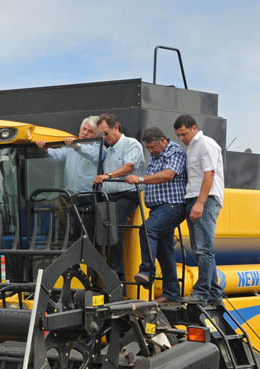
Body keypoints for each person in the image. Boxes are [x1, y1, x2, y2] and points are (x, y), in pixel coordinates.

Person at [125, 127, 187, 303]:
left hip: (172, 205)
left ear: (162, 140)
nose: (150, 151)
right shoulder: (156, 155)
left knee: (147, 229)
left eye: (152, 147)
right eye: (148, 148)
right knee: (164, 250)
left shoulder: (174, 152)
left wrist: (141, 179)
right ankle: (172, 292)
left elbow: (168, 175)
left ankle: (147, 271)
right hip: (158, 208)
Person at [174, 115, 224, 304]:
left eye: (184, 134)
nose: (181, 138)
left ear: (194, 128)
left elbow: (209, 174)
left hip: (205, 198)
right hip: (194, 197)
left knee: (204, 248)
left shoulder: (205, 144)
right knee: (199, 248)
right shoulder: (192, 147)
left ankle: (202, 291)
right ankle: (215, 292)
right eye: (178, 135)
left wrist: (200, 203)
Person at [91, 113, 146, 279]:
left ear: (116, 127)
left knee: (113, 224)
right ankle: (97, 268)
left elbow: (128, 167)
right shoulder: (106, 150)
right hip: (109, 196)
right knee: (97, 226)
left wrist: (107, 175)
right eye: (101, 134)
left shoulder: (131, 144)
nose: (104, 137)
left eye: (106, 133)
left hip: (127, 194)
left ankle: (116, 270)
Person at [34, 116, 104, 194]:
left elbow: (93, 154)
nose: (85, 133)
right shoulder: (71, 148)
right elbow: (56, 155)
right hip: (70, 197)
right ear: (80, 130)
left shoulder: (99, 148)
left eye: (90, 131)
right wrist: (45, 149)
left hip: (90, 197)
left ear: (97, 135)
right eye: (84, 129)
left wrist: (76, 146)